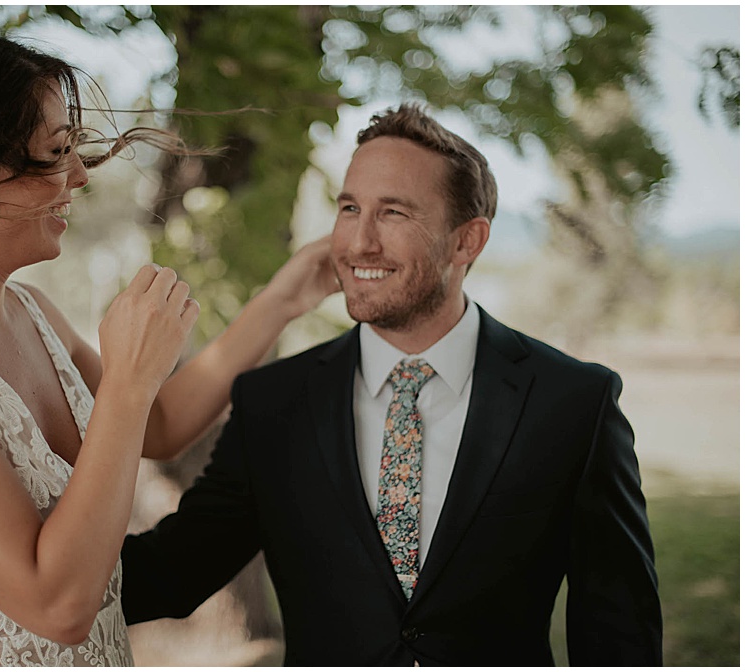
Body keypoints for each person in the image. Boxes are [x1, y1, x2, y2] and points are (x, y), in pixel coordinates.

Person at [0, 33, 337, 666]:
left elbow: (159, 425)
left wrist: (284, 299)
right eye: (56, 152)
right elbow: (58, 607)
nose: (78, 177)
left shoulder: (32, 313)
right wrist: (128, 379)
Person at [118, 104, 662, 665]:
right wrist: (26, 561)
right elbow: (165, 577)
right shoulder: (275, 404)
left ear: (467, 242)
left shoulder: (573, 402)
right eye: (349, 208)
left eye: (394, 213)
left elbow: (619, 631)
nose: (359, 243)